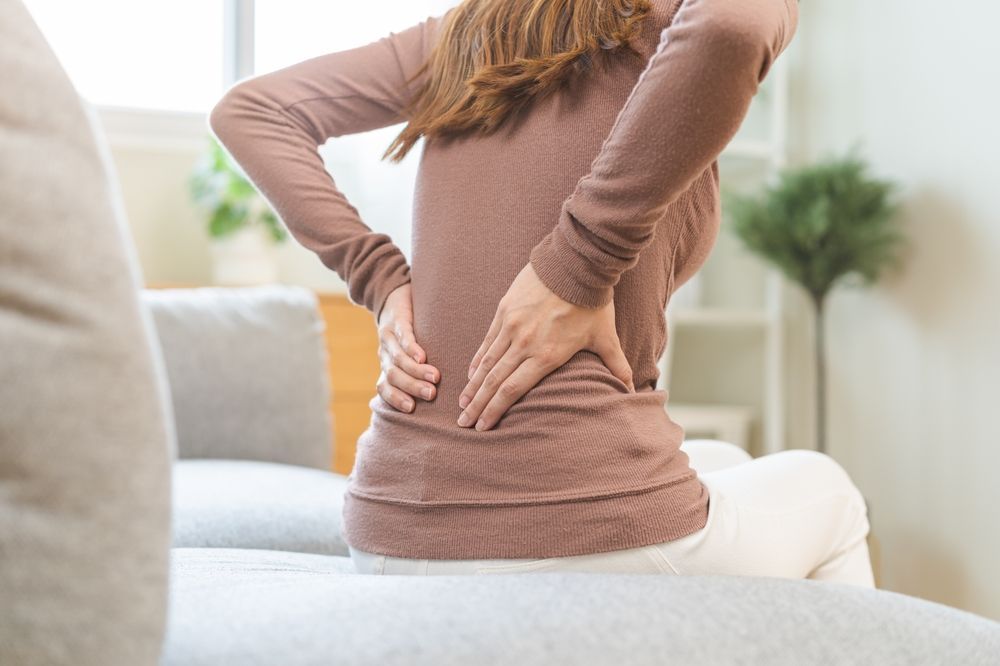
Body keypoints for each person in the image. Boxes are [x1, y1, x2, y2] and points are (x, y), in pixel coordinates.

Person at [209, 0, 876, 588]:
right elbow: (737, 21)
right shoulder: (667, 17)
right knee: (832, 494)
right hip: (586, 539)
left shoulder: (466, 35)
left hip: (389, 538)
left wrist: (380, 279)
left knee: (724, 461)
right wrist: (576, 266)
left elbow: (252, 109)